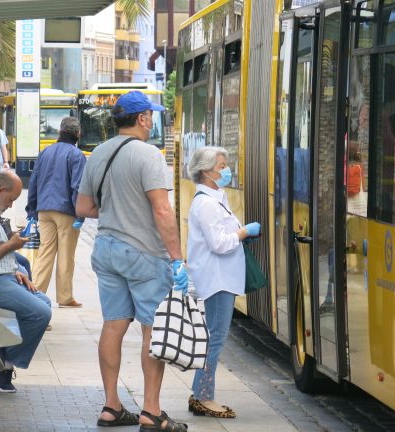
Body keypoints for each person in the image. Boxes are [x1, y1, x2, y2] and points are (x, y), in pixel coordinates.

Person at [76, 90, 188, 431]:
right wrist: (178, 258)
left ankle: (111, 406)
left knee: (113, 324)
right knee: (152, 331)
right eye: (150, 115)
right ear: (142, 119)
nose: (152, 120)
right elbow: (162, 210)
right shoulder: (149, 155)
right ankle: (151, 412)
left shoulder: (98, 154)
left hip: (106, 249)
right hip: (143, 254)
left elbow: (83, 209)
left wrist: (115, 212)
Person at [186, 146, 261, 418]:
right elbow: (219, 244)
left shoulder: (216, 199)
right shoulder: (206, 204)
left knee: (214, 337)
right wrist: (243, 232)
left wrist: (240, 232)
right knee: (214, 339)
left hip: (223, 278)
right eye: (221, 166)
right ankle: (204, 396)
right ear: (206, 171)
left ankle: (201, 394)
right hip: (216, 280)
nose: (226, 170)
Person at [0, 170, 52, 393]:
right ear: (0, 190)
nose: (10, 205)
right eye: (11, 199)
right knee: (40, 313)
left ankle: (3, 354)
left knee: (44, 303)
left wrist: (15, 267)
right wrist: (11, 246)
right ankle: (4, 362)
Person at [26, 117, 86, 309]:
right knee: (66, 255)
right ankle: (65, 297)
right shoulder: (76, 155)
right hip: (66, 210)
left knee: (44, 253)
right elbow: (77, 186)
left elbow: (34, 182)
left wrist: (32, 209)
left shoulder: (45, 152)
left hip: (44, 209)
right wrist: (80, 213)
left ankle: (34, 295)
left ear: (60, 131)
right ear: (77, 134)